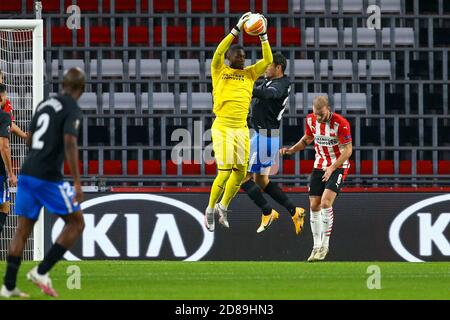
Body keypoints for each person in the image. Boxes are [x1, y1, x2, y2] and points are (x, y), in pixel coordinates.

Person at [1, 68, 86, 298]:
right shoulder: (72, 108)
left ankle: (8, 286)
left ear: (63, 85)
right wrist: (77, 183)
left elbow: (30, 138)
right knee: (77, 223)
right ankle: (41, 271)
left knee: (22, 230)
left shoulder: (44, 105)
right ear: (81, 90)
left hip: (28, 171)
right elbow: (70, 142)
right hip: (47, 176)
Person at [204, 12, 273, 231]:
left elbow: (269, 60)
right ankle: (209, 210)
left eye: (244, 56)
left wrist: (263, 36)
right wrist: (236, 29)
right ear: (230, 58)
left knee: (242, 173)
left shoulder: (250, 74)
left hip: (241, 129)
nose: (242, 58)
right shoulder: (219, 70)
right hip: (223, 126)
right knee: (224, 173)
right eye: (238, 56)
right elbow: (218, 51)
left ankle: (223, 206)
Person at [280, 96, 352, 262]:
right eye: (316, 114)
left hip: (338, 165)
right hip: (319, 165)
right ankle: (316, 247)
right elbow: (306, 140)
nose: (318, 117)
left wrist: (332, 168)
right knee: (314, 205)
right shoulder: (311, 120)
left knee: (326, 203)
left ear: (328, 109)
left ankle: (325, 246)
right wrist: (291, 150)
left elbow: (348, 150)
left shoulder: (340, 123)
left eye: (321, 114)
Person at [241, 53, 305, 234]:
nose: (265, 69)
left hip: (264, 137)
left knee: (240, 178)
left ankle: (267, 212)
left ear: (278, 68)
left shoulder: (282, 84)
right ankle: (294, 210)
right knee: (261, 181)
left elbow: (268, 95)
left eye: (267, 66)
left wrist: (244, 86)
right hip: (267, 137)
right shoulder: (269, 81)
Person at [0, 84, 18, 238]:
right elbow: (4, 146)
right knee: (4, 207)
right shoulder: (3, 116)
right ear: (2, 97)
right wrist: (11, 173)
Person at [0, 69, 28, 140]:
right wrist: (25, 136)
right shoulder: (4, 101)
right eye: (1, 78)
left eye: (2, 78)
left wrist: (25, 136)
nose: (2, 80)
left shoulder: (4, 102)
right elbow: (10, 125)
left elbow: (10, 125)